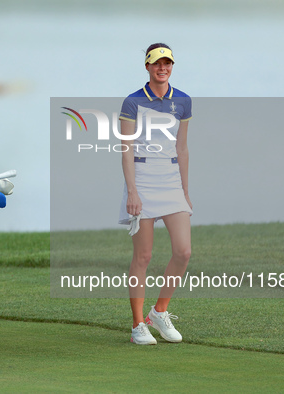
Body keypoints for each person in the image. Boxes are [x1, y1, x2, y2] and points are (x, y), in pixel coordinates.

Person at [118, 44, 193, 345]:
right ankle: (138, 325)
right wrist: (132, 191)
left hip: (171, 180)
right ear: (147, 67)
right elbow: (127, 149)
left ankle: (159, 312)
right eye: (156, 63)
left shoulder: (184, 101)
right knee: (144, 255)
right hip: (143, 179)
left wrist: (186, 192)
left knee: (183, 251)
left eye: (167, 63)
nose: (162, 68)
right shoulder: (133, 102)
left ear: (172, 66)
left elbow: (182, 148)